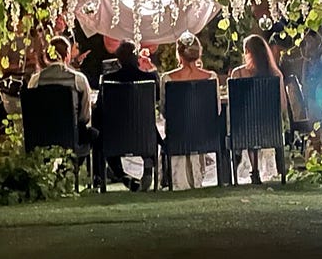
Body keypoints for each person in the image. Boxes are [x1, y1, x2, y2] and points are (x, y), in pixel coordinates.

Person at [96, 39, 163, 190]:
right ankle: (148, 163)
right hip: (144, 134)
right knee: (149, 127)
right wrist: (152, 70)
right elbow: (159, 98)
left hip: (115, 135)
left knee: (100, 134)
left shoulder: (107, 80)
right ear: (137, 58)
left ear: (118, 60)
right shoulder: (149, 78)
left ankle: (121, 176)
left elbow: (100, 108)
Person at [227, 33, 289, 183]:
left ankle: (254, 171)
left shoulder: (238, 73)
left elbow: (234, 104)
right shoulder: (275, 74)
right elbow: (282, 104)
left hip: (245, 127)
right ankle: (274, 170)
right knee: (255, 124)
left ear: (247, 52)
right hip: (270, 125)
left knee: (249, 125)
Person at [166, 34, 216, 190]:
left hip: (178, 132)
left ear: (179, 54)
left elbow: (164, 111)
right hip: (204, 133)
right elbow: (216, 109)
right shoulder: (211, 77)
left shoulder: (167, 79)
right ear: (199, 53)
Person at [27, 36, 96, 145]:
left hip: (42, 137)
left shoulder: (35, 80)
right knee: (94, 135)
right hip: (71, 137)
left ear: (47, 55)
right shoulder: (79, 80)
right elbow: (85, 117)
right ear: (68, 54)